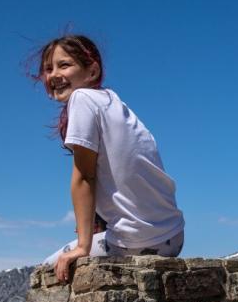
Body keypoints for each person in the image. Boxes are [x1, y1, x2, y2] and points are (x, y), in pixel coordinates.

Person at [35, 35, 185, 283]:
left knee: (46, 272)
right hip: (173, 236)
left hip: (137, 242)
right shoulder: (112, 102)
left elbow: (84, 177)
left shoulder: (82, 99)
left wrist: (83, 247)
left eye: (64, 65)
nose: (53, 75)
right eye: (48, 69)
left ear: (92, 70)